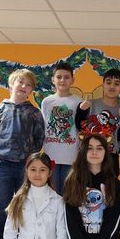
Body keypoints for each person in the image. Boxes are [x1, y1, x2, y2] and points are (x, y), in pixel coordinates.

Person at [0, 68, 45, 239]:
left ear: (31, 90)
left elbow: (39, 138)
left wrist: (29, 155)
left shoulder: (34, 113)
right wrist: (1, 150)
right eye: (21, 82)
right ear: (11, 84)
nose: (24, 86)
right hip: (3, 164)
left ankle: (22, 238)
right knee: (2, 202)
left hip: (25, 166)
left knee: (24, 202)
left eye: (28, 85)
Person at [75, 68, 120, 176]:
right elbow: (79, 126)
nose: (112, 86)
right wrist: (81, 111)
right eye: (108, 82)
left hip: (111, 155)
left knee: (111, 185)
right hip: (89, 153)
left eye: (117, 84)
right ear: (103, 85)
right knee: (86, 184)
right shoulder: (90, 104)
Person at [41, 61, 82, 195]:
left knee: (67, 194)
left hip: (71, 156)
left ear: (73, 80)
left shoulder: (78, 101)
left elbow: (81, 127)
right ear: (53, 80)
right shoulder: (47, 102)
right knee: (52, 194)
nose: (62, 80)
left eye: (66, 77)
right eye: (59, 77)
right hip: (50, 155)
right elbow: (44, 125)